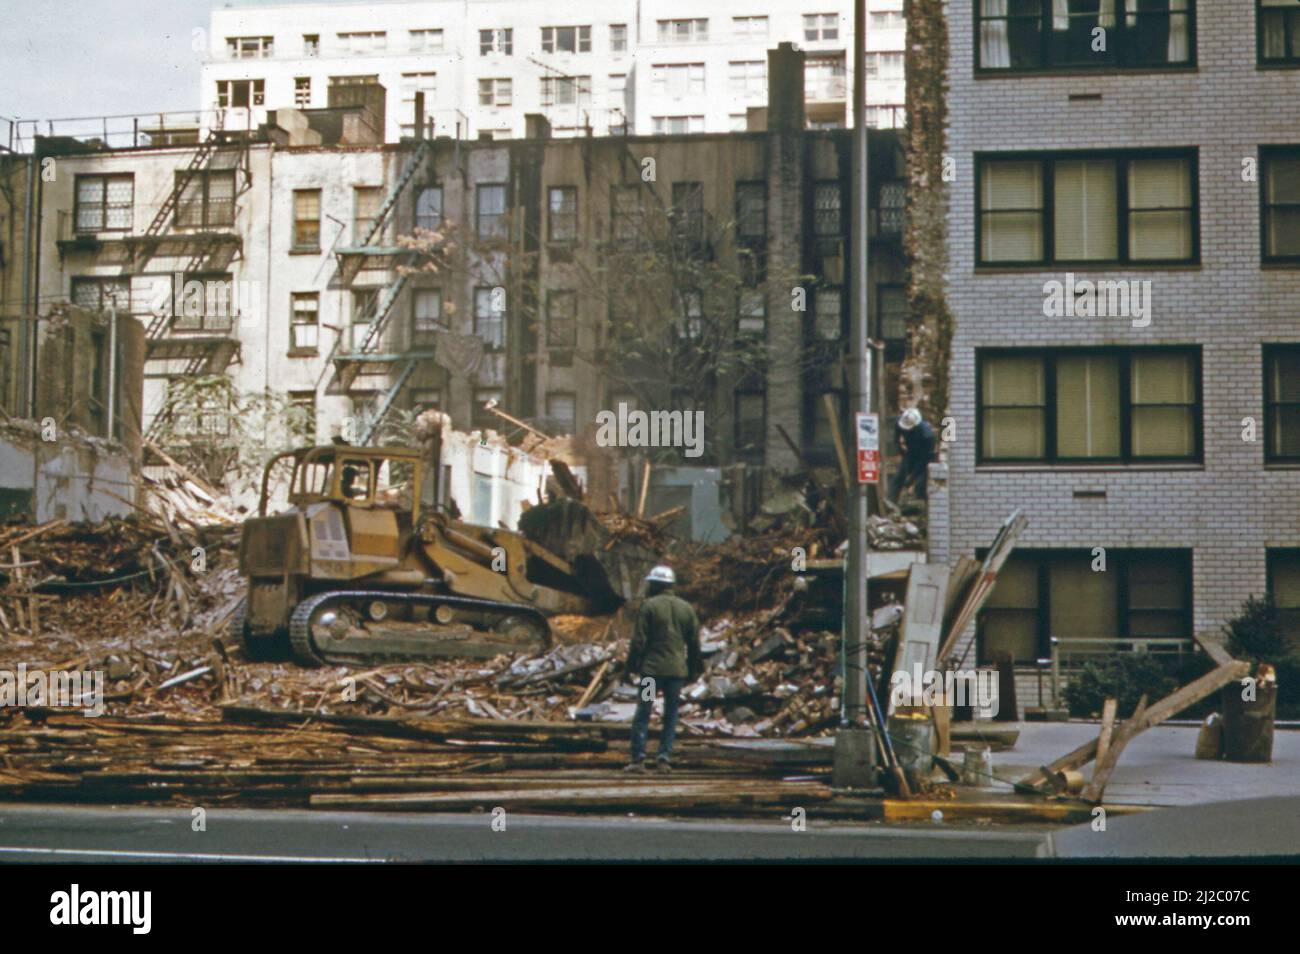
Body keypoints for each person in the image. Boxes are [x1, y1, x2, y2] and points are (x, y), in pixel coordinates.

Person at [624, 565, 702, 773]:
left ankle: (638, 759)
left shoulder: (649, 606)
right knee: (671, 714)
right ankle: (664, 758)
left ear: (655, 585)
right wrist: (693, 670)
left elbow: (638, 641)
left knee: (644, 711)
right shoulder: (686, 608)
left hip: (651, 674)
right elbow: (694, 644)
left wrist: (630, 667)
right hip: (675, 674)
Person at [889, 407, 937, 505]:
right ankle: (890, 504)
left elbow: (923, 460)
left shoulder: (927, 435)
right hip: (910, 453)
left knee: (920, 484)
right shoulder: (900, 423)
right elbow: (896, 439)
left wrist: (912, 477)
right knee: (898, 479)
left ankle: (920, 508)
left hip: (924, 457)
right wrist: (902, 452)